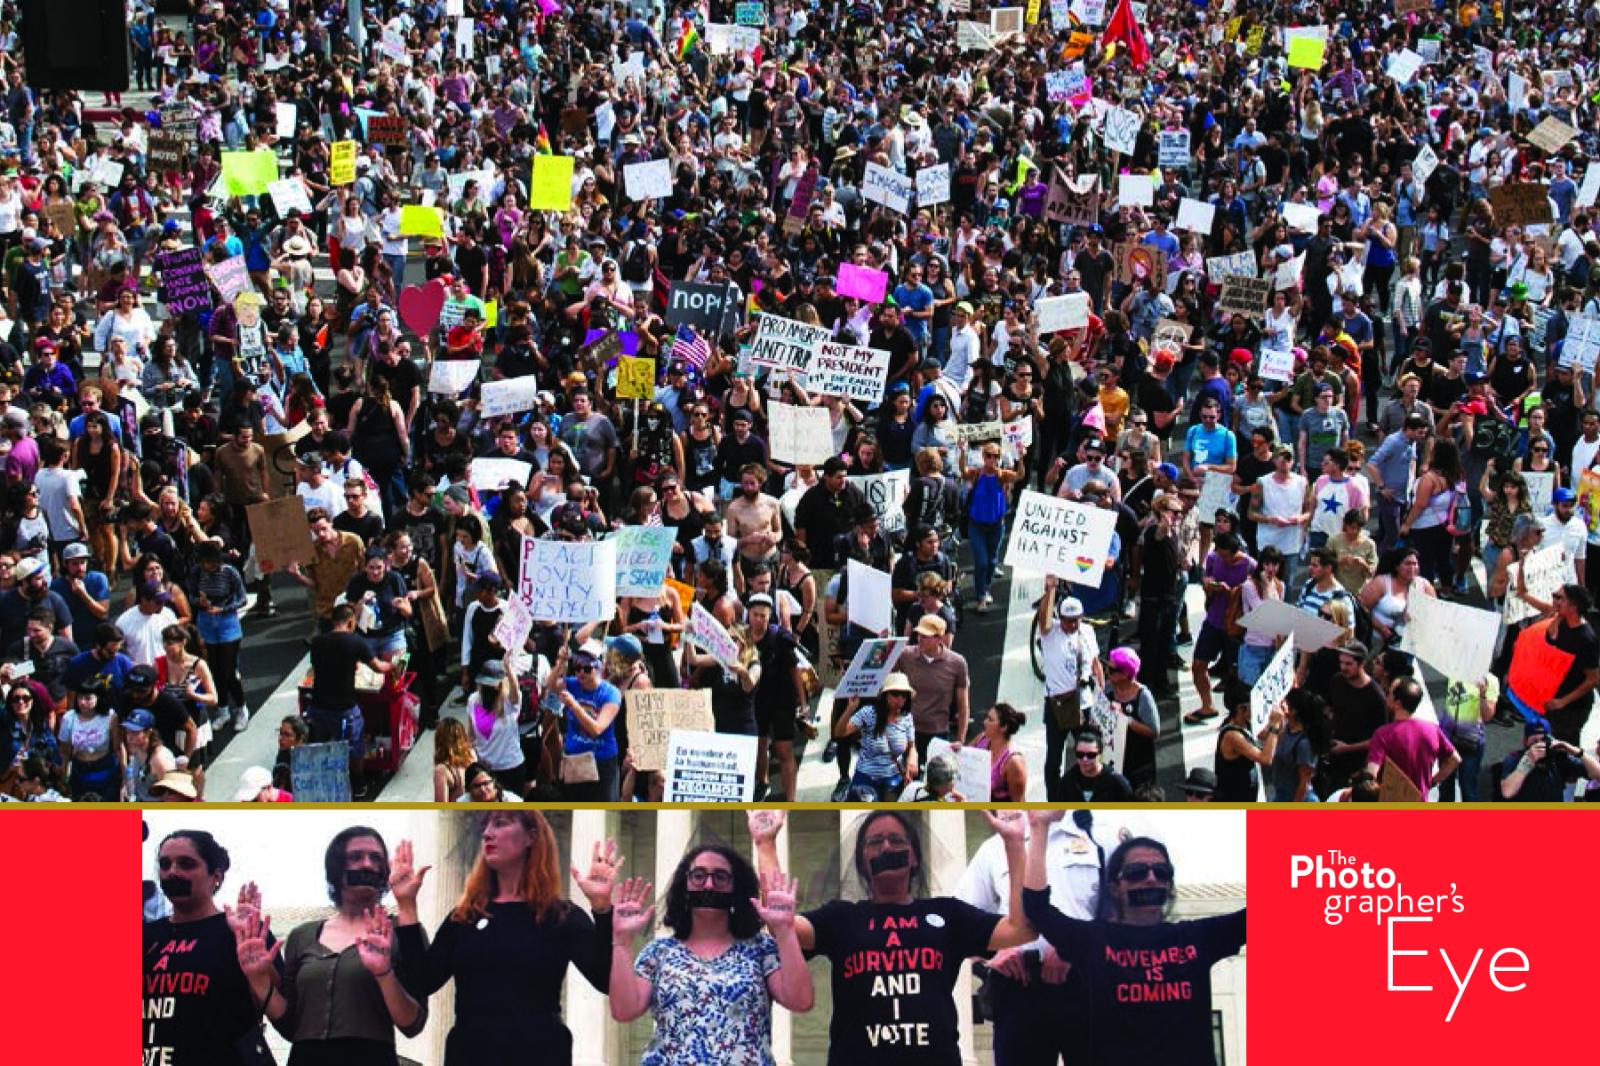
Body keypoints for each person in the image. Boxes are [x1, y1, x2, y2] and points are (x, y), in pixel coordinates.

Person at [750, 808, 1036, 1066]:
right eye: (875, 842)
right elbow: (783, 925)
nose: (886, 846)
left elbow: (1020, 929)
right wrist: (765, 844)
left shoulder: (948, 914)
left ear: (913, 858)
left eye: (897, 841)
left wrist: (1013, 845)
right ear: (862, 861)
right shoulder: (842, 919)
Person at [1022, 809, 1245, 1066]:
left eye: (1161, 872)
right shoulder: (1094, 940)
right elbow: (1037, 909)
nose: (1151, 879)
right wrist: (1039, 828)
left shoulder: (1197, 937)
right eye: (1137, 872)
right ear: (1116, 886)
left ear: (1170, 885)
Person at [391, 816, 620, 1066]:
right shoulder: (466, 916)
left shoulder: (560, 916)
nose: (487, 833)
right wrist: (406, 905)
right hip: (471, 1053)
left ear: (531, 837)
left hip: (539, 1053)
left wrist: (602, 910)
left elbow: (606, 980)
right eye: (485, 826)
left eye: (500, 824)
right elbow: (422, 981)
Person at [608, 843, 813, 1064]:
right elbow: (624, 1010)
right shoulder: (658, 952)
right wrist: (621, 942)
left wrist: (785, 930)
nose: (708, 885)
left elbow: (800, 1001)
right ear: (685, 886)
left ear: (736, 888)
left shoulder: (761, 948)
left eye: (720, 877)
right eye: (698, 876)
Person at [265, 828, 426, 1066]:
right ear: (336, 868)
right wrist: (259, 978)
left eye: (376, 858)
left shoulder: (403, 932)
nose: (367, 865)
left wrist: (384, 974)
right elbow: (291, 1026)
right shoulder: (302, 936)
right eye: (355, 857)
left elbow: (413, 1023)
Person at [143, 830, 278, 1066]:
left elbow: (276, 1008)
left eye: (186, 864)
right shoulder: (144, 937)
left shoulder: (243, 933)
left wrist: (257, 971)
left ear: (215, 876)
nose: (172, 872)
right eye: (165, 864)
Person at [1037, 581, 1105, 799]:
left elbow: (1095, 663)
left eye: (1076, 620)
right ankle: (1053, 798)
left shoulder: (1087, 631)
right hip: (1057, 703)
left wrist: (1101, 695)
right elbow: (1043, 620)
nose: (1073, 625)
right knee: (1054, 758)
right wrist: (1050, 590)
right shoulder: (1051, 633)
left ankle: (1090, 793)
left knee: (1090, 752)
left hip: (1083, 703)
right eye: (1068, 620)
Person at [1367, 678, 1460, 799]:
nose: (1386, 695)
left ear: (1398, 703)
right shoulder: (1433, 730)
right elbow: (1454, 759)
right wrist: (1432, 782)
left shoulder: (1383, 734)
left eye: (1389, 693)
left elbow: (1371, 775)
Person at [833, 672, 917, 801]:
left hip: (893, 780)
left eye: (904, 695)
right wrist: (850, 709)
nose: (899, 699)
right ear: (885, 695)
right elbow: (840, 733)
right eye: (895, 694)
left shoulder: (906, 717)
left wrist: (911, 759)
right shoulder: (869, 713)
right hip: (866, 779)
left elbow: (912, 746)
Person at [1498, 723, 1600, 802]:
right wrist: (1528, 762)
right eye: (1534, 741)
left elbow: (1597, 774)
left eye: (1543, 740)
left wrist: (1574, 750)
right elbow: (1507, 792)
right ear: (1525, 741)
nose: (1539, 744)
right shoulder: (1515, 758)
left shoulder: (1558, 758)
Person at [970, 702, 1028, 802]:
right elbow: (962, 761)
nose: (985, 722)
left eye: (990, 720)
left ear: (1003, 727)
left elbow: (1019, 804)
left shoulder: (1013, 762)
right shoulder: (981, 739)